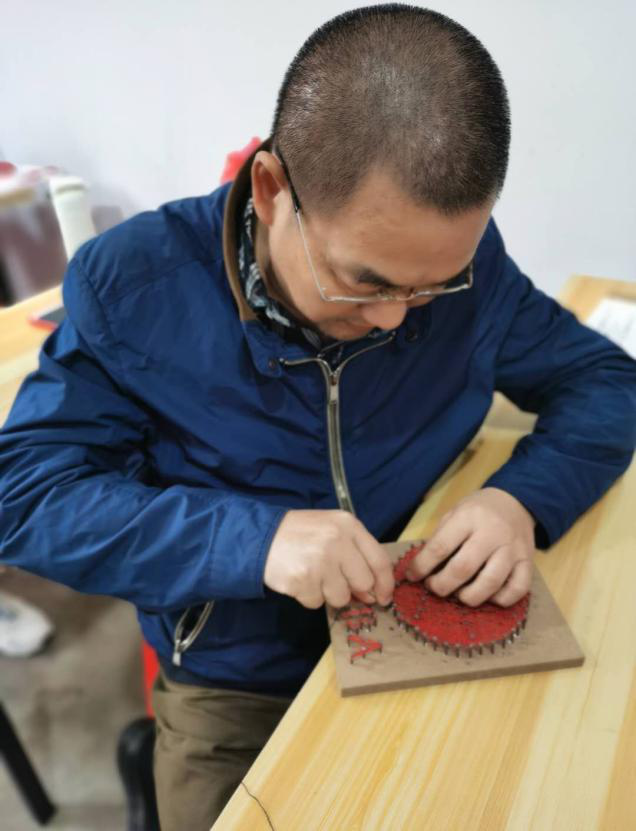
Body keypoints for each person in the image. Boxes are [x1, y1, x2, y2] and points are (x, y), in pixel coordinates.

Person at [1, 5, 635, 829]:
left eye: (431, 286)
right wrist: (255, 541)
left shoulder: (464, 268)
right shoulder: (134, 286)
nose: (396, 318)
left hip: (421, 613)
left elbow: (606, 380)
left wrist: (520, 499)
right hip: (238, 673)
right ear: (272, 191)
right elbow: (24, 496)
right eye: (366, 282)